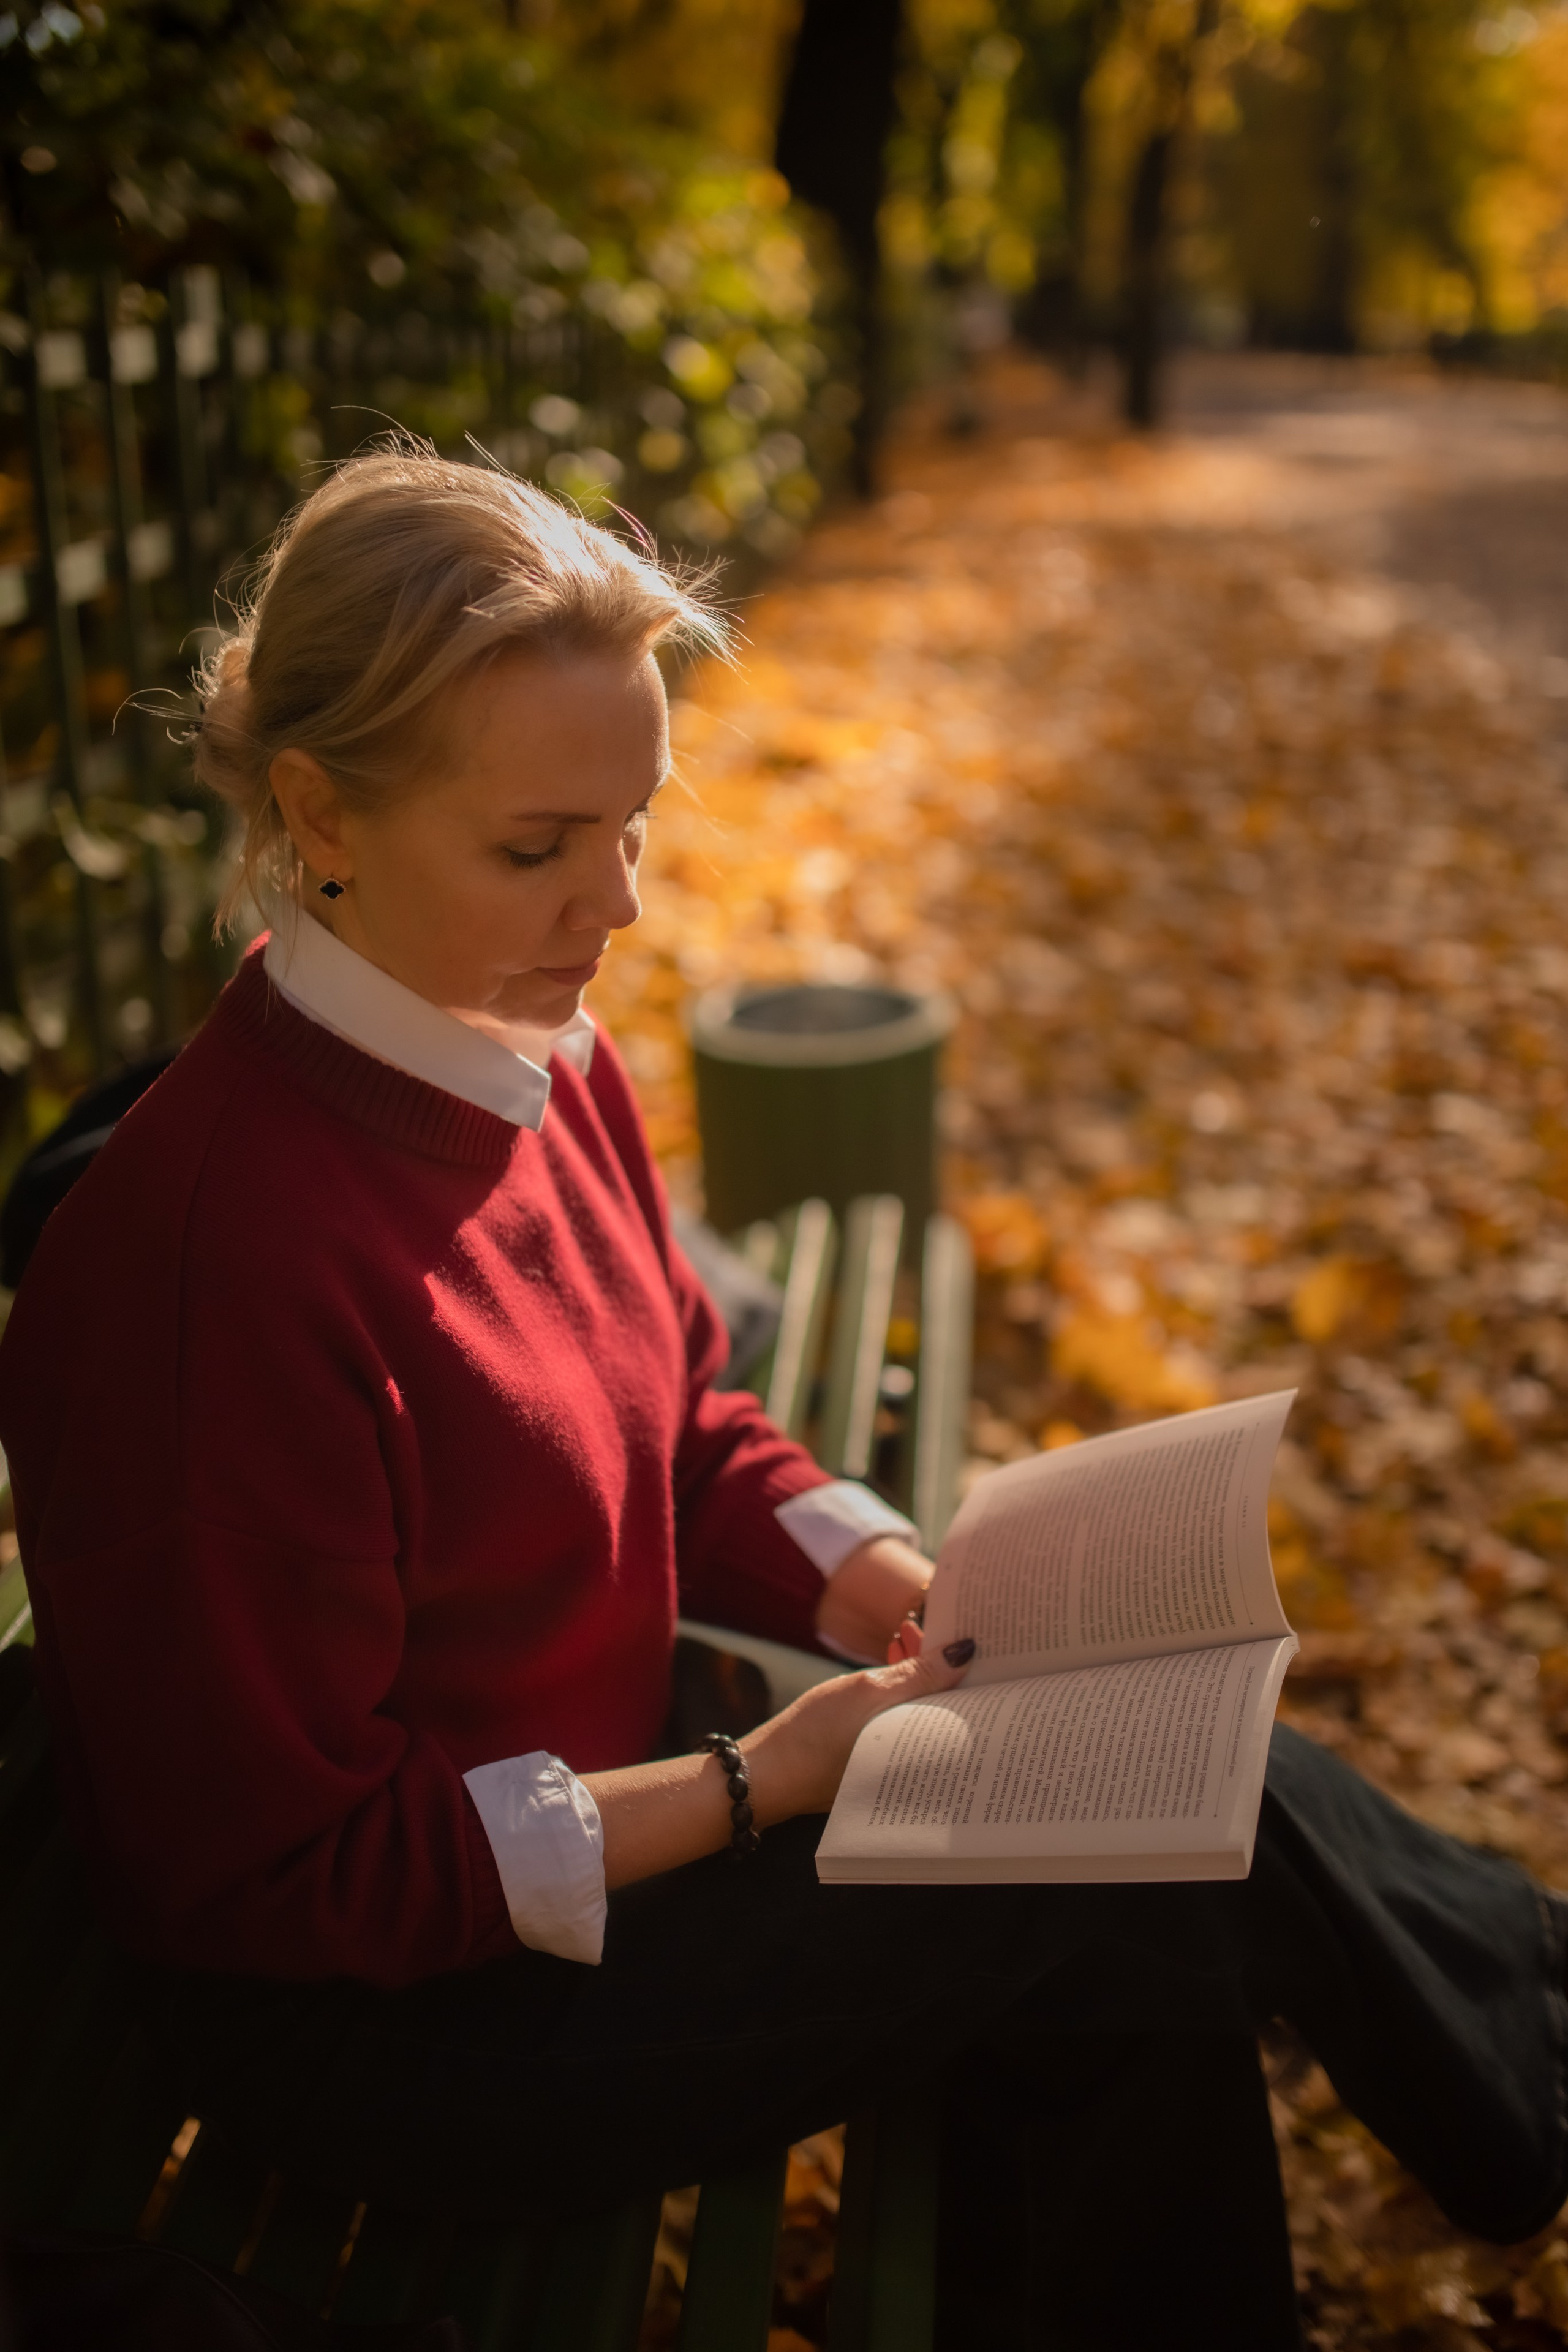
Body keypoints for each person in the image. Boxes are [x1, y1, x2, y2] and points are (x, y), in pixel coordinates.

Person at [1, 448, 1564, 2352]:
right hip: (416, 2024)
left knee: (1124, 1801)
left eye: (633, 823)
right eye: (539, 846)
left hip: (613, 1805)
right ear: (318, 810)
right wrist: (762, 1781)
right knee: (1100, 1862)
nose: (620, 905)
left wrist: (885, 1577)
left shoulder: (522, 1044)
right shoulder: (204, 1282)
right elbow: (299, 1883)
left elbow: (682, 1406)